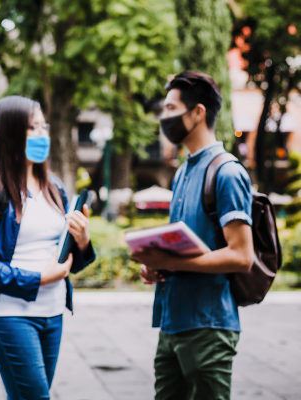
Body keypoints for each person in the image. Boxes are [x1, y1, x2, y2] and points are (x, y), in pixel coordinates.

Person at [0, 95, 96, 400]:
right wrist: (38, 279)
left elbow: (66, 258)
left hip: (53, 312)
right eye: (31, 128)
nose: (41, 135)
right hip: (8, 314)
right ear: (9, 133)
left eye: (43, 127)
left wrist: (83, 241)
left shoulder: (54, 186)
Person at [132, 71, 255, 400]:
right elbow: (184, 245)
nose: (164, 117)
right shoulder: (184, 170)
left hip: (209, 326)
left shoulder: (227, 172)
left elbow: (242, 256)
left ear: (198, 112)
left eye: (171, 108)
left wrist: (172, 261)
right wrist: (158, 265)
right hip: (172, 323)